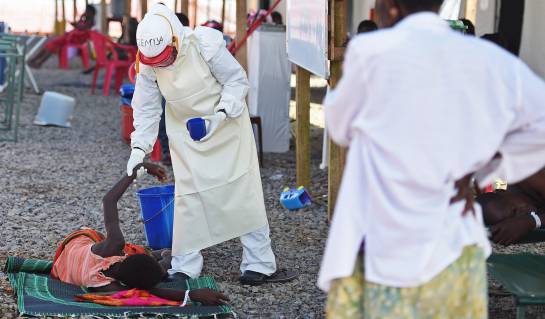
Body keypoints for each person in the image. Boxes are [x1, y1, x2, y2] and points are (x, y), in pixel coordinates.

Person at [318, 0, 545, 318]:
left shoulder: (372, 51)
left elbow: (340, 128)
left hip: (382, 237)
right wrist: (480, 165)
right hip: (452, 241)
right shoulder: (485, 58)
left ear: (391, 8)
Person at [127, 3, 295, 285]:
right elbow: (145, 108)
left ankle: (259, 263)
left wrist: (216, 117)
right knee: (188, 198)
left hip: (226, 127)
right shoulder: (148, 61)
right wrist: (138, 149)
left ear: (175, 40)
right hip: (185, 133)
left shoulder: (204, 43)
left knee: (243, 192)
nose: (162, 65)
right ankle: (185, 265)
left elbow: (237, 82)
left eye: (166, 58)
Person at [51, 162, 229, 305]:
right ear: (125, 256)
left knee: (162, 256)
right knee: (165, 257)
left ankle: (162, 255)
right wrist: (191, 294)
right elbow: (149, 292)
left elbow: (109, 200)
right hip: (69, 254)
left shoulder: (114, 247)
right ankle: (163, 255)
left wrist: (137, 170)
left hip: (74, 248)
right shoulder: (109, 286)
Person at [478, 170, 545, 245]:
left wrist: (532, 221)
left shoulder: (529, 177)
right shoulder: (529, 201)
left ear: (501, 192)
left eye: (514, 210)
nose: (520, 215)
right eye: (512, 219)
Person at [29, 5, 96, 68]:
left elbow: (81, 28)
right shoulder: (85, 19)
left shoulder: (90, 21)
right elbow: (79, 26)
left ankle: (37, 62)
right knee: (49, 45)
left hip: (73, 40)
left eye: (87, 11)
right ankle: (35, 61)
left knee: (51, 46)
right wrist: (81, 18)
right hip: (70, 38)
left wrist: (77, 22)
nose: (85, 12)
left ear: (91, 12)